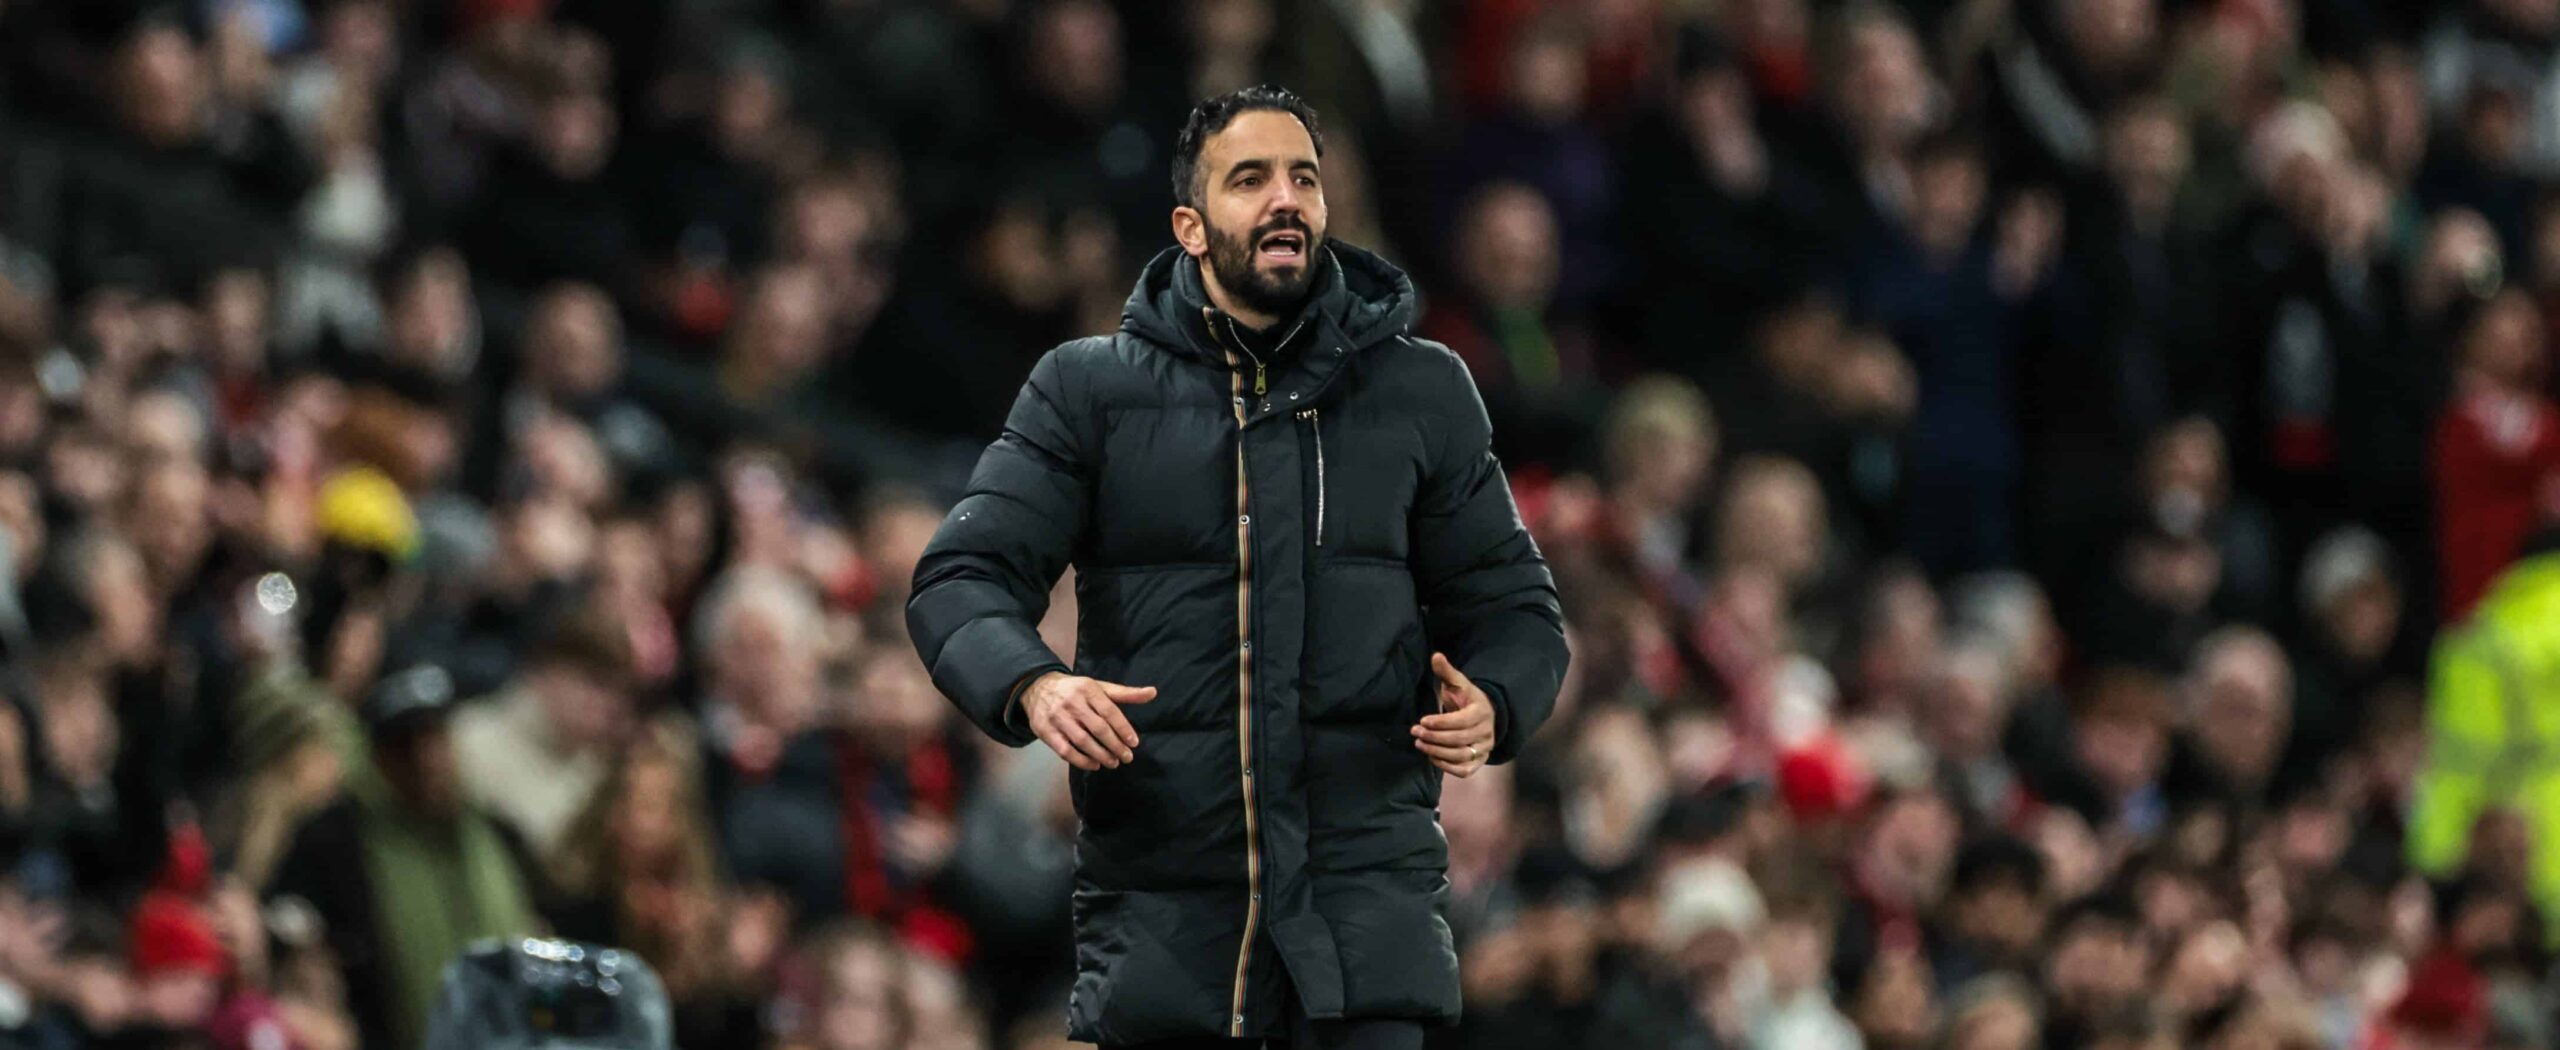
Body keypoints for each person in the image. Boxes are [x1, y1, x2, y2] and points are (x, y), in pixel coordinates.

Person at [905, 85, 1569, 1049]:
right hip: (1174, 946)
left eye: (1303, 177)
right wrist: (1034, 684)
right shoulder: (1085, 391)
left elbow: (1517, 606)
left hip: (1365, 944)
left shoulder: (1424, 390)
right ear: (1190, 223)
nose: (1285, 200)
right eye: (1250, 179)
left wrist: (1499, 699)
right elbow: (959, 575)